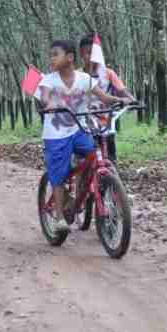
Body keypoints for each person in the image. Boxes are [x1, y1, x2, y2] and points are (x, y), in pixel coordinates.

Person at [38, 40, 131, 233]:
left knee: (94, 156)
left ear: (70, 57)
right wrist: (48, 105)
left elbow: (104, 97)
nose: (52, 58)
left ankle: (86, 191)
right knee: (58, 174)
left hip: (78, 129)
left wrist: (122, 100)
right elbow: (45, 98)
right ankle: (60, 219)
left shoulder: (84, 79)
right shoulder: (48, 80)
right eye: (51, 54)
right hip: (56, 135)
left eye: (56, 54)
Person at [78, 34, 135, 163]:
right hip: (84, 122)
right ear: (81, 54)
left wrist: (131, 100)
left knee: (110, 157)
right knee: (85, 159)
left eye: (94, 53)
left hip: (106, 122)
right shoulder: (78, 75)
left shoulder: (108, 74)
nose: (91, 57)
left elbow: (123, 91)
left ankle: (111, 179)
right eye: (88, 53)